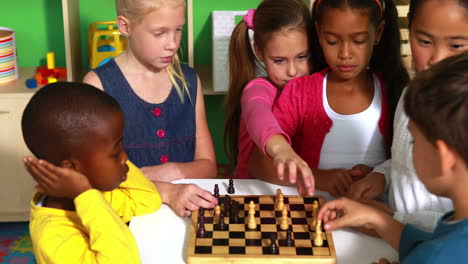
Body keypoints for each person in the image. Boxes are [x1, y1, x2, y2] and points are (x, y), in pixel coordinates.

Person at [318, 52, 468, 264]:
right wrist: (379, 220)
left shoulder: (432, 257)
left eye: (413, 142)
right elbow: (435, 242)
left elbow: (432, 252)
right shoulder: (456, 228)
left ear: (444, 158)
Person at [248, 0, 409, 197]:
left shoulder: (395, 92)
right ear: (318, 32)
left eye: (359, 41)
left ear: (379, 32)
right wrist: (318, 177)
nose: (345, 54)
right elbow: (258, 163)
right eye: (332, 41)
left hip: (377, 219)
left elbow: (412, 166)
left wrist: (381, 174)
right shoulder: (300, 92)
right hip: (312, 218)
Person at [83, 0, 217, 216]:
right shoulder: (97, 85)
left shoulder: (190, 80)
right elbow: (97, 181)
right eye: (159, 33)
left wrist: (174, 170)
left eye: (178, 30)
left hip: (185, 213)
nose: (172, 44)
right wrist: (166, 190)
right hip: (126, 219)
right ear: (125, 27)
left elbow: (209, 168)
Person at [348, 0, 468, 231]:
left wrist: (394, 222)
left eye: (456, 45)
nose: (437, 59)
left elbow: (461, 229)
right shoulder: (409, 95)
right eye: (424, 41)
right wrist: (382, 176)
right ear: (409, 31)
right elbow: (407, 158)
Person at [21, 82, 163, 263]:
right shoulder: (54, 236)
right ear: (71, 169)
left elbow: (147, 201)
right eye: (115, 153)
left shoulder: (98, 195)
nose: (125, 156)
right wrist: (86, 195)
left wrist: (90, 191)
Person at [224, 0, 315, 195]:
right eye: (279, 61)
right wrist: (281, 149)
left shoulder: (312, 87)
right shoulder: (257, 90)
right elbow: (258, 114)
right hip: (250, 194)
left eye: (302, 57)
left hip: (292, 194)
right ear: (259, 52)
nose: (292, 71)